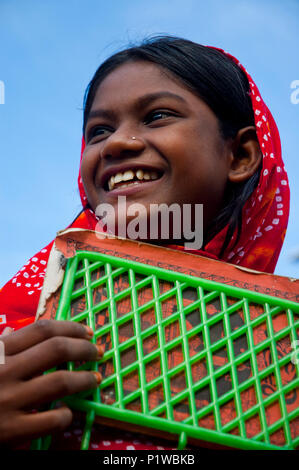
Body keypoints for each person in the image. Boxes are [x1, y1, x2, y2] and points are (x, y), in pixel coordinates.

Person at [0, 36, 290, 449]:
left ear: (240, 155)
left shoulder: (282, 358)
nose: (117, 142)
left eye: (157, 116)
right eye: (99, 130)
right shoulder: (12, 331)